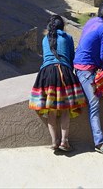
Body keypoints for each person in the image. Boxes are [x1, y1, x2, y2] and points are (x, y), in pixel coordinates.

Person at [29, 15, 86, 152]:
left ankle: (54, 142)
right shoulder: (67, 37)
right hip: (65, 73)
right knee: (65, 109)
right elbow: (71, 57)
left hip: (47, 75)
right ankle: (64, 142)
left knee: (51, 112)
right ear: (63, 26)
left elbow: (45, 57)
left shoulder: (44, 39)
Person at [74, 3, 103, 157]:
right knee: (94, 103)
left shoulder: (91, 21)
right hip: (85, 70)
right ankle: (99, 141)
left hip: (80, 63)